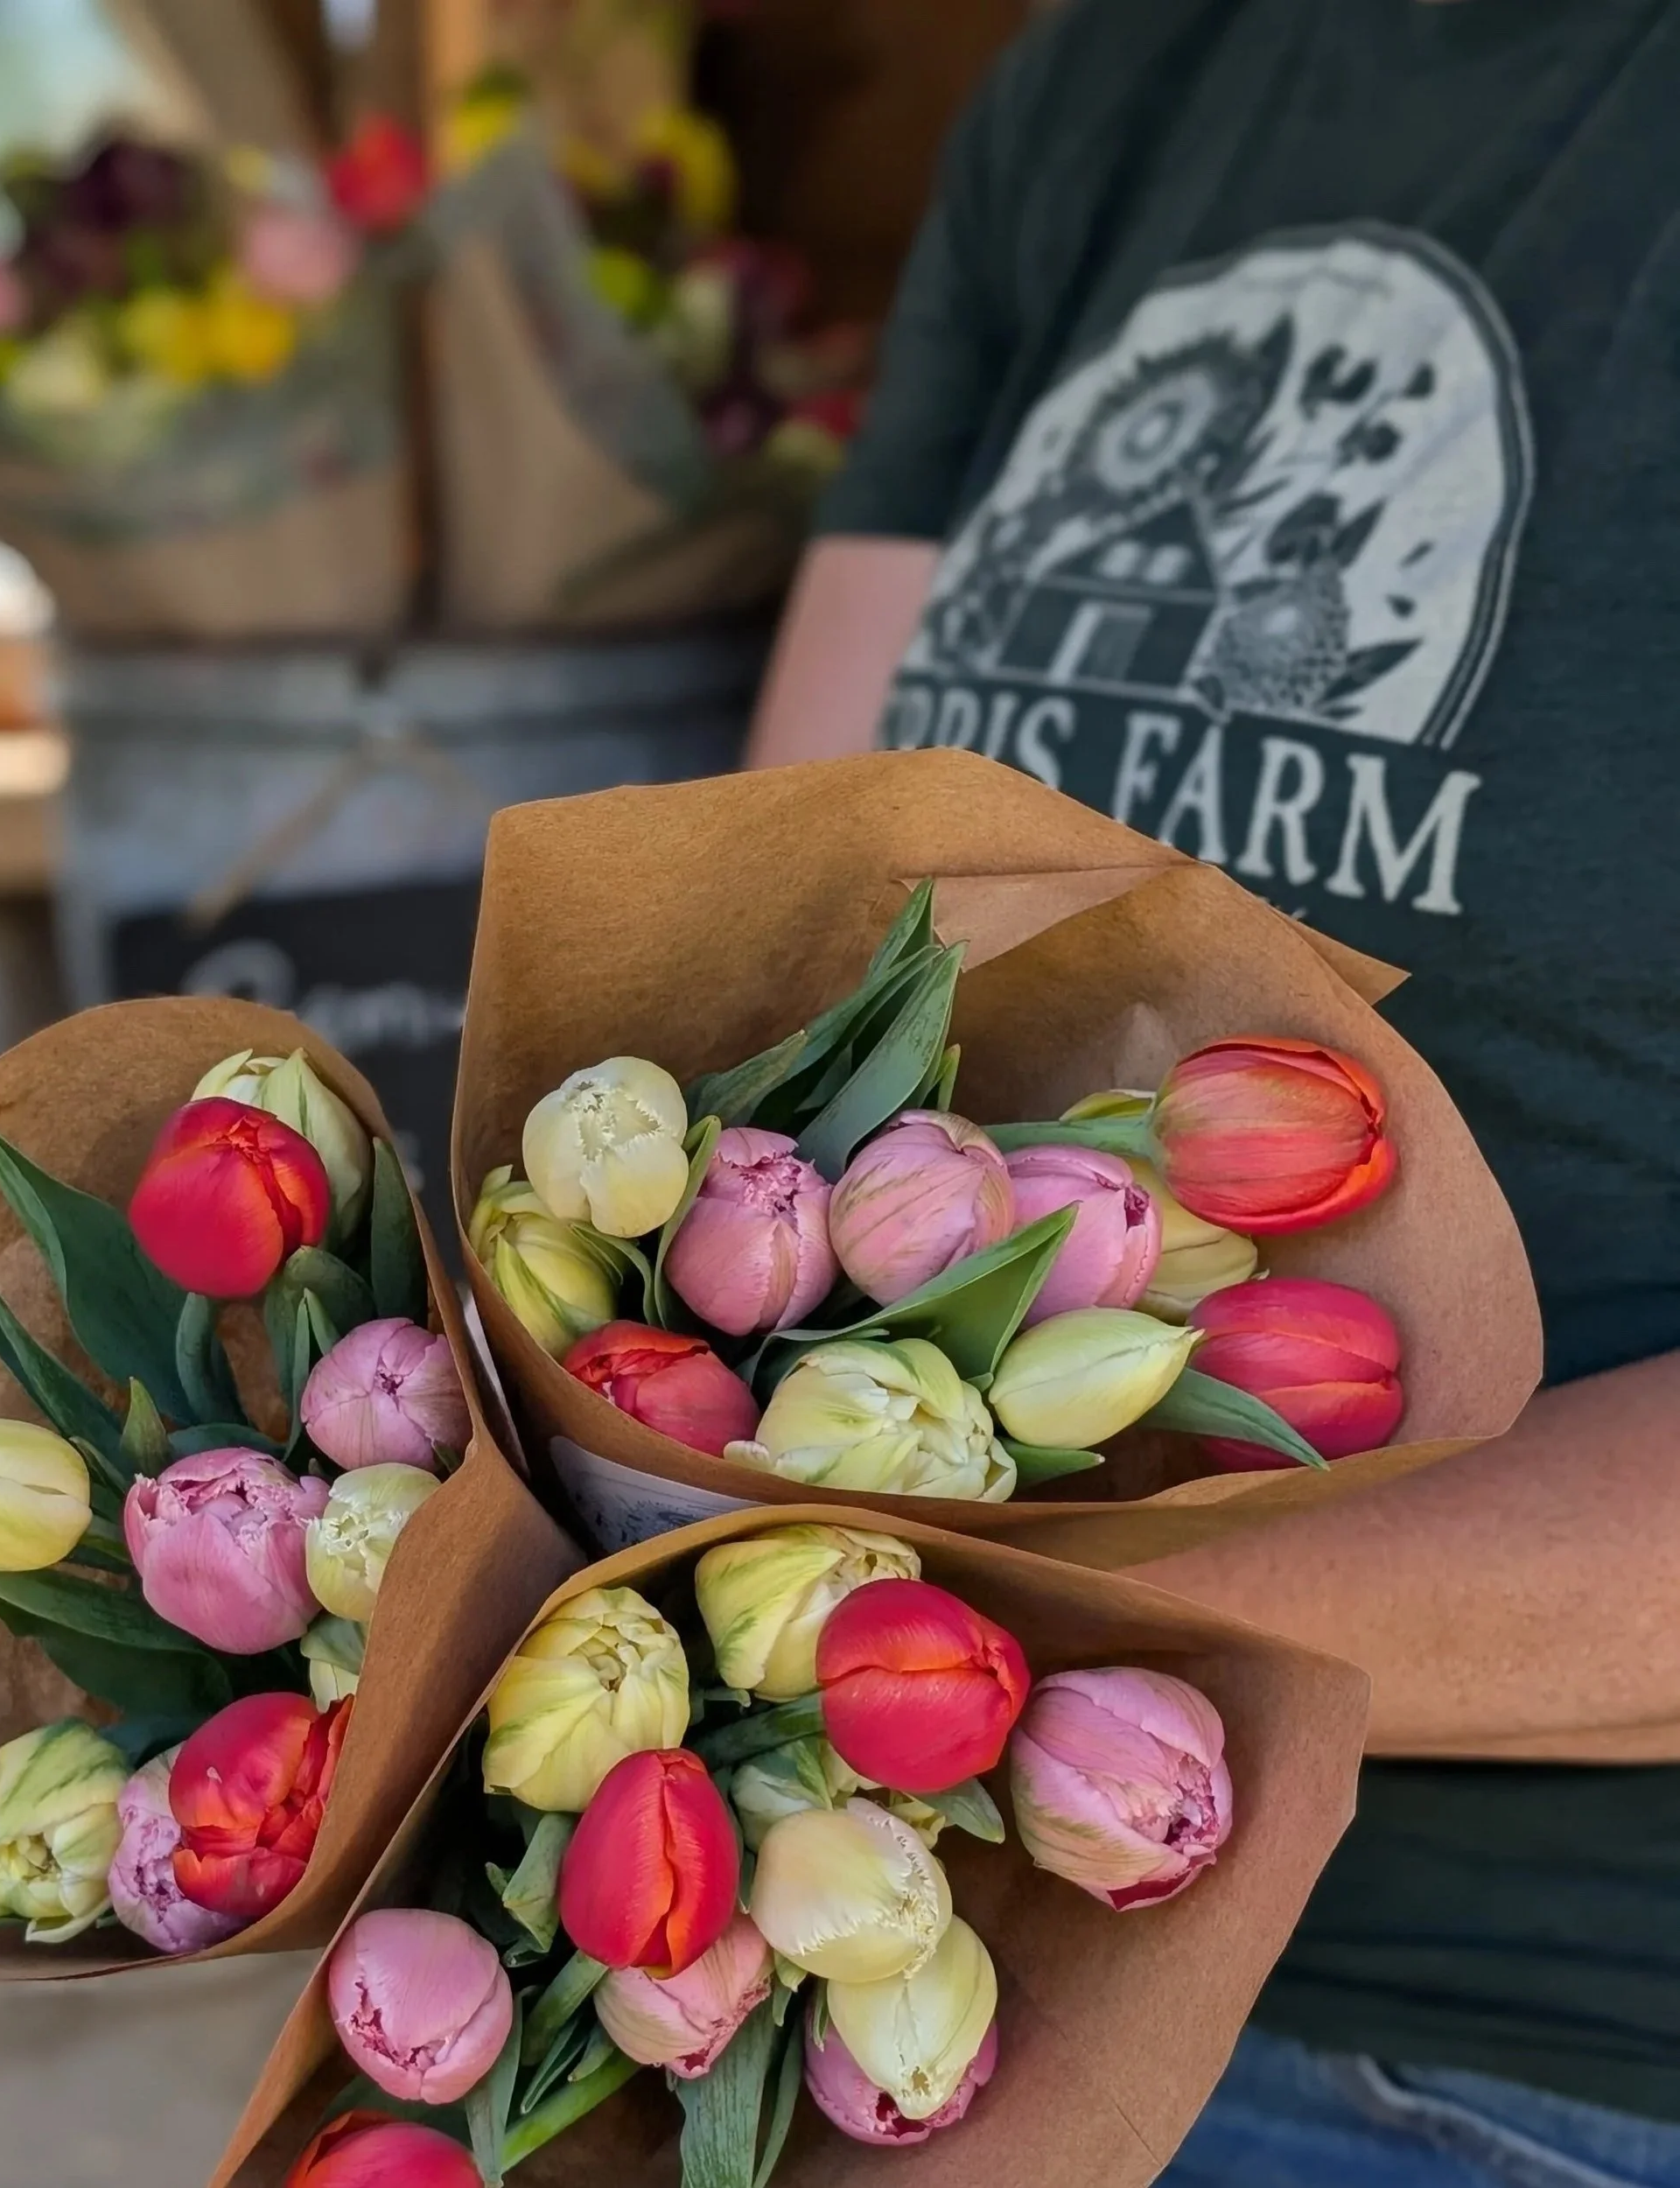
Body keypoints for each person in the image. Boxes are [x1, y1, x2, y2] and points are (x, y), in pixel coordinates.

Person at [744, 0, 1680, 2178]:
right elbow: (763, 967)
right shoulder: (1114, 87)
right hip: (883, 1920)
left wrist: (867, 1623)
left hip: (1521, 2039)